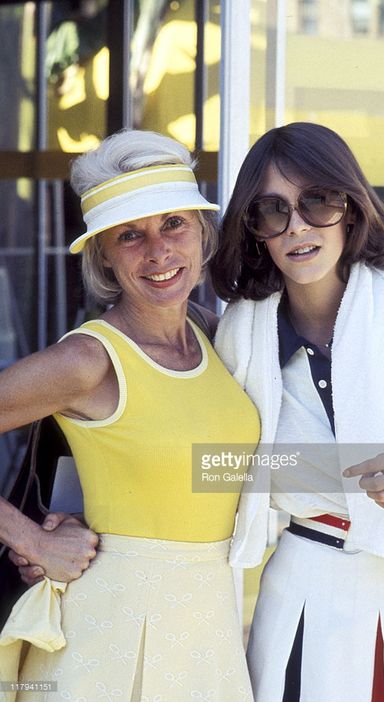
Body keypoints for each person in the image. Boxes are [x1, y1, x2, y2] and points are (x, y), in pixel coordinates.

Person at [210, 122, 384, 702]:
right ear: (254, 231)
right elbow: (213, 471)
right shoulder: (235, 340)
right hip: (303, 596)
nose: (297, 226)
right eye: (272, 210)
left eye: (318, 201)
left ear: (351, 209)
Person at [0, 129, 260, 701]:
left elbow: (233, 471)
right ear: (105, 257)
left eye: (173, 224)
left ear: (201, 231)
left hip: (210, 627)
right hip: (111, 632)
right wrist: (31, 541)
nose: (159, 252)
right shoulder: (89, 359)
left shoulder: (216, 336)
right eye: (129, 235)